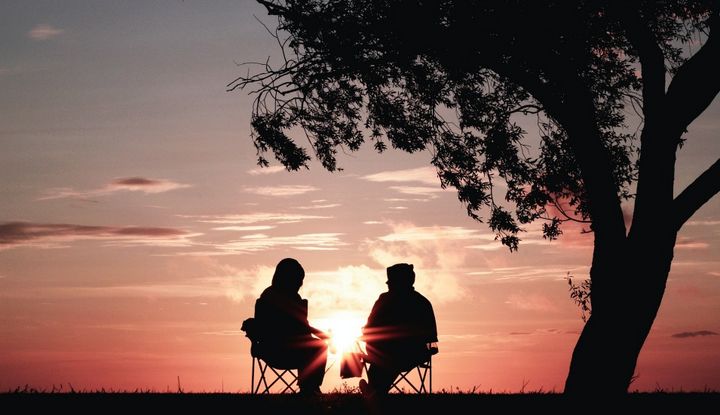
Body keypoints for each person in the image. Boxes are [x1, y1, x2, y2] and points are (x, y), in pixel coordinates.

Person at [359, 263, 438, 397]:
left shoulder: (384, 300)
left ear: (396, 283)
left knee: (385, 360)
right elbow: (431, 337)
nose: (388, 286)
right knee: (387, 359)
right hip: (414, 354)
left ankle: (375, 391)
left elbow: (369, 328)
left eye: (390, 283)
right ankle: (375, 391)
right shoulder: (422, 302)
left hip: (388, 354)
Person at [253, 258, 329, 395]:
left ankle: (309, 387)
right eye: (298, 279)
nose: (300, 283)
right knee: (319, 347)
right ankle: (309, 388)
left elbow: (303, 327)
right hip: (279, 350)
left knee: (317, 346)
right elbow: (301, 327)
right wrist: (324, 337)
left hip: (272, 349)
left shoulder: (269, 296)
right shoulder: (276, 298)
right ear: (288, 279)